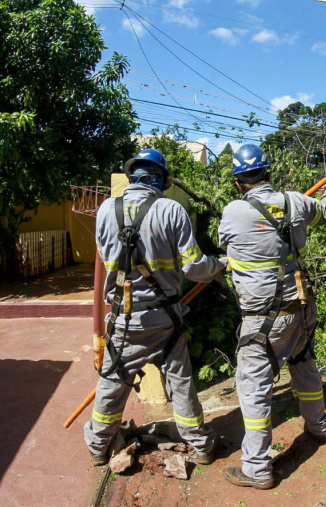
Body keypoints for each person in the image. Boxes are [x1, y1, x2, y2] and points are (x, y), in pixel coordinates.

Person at [86, 149, 226, 467]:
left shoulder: (106, 210)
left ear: (131, 177)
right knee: (180, 383)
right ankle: (201, 445)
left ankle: (97, 448)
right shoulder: (170, 210)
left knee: (111, 385)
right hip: (165, 321)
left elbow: (107, 261)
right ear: (161, 180)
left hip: (123, 322)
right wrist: (220, 264)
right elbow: (195, 269)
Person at [218, 144, 326, 490]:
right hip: (301, 308)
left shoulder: (233, 212)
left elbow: (228, 245)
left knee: (254, 387)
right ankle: (318, 427)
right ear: (269, 173)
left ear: (239, 183)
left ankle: (256, 469)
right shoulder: (297, 201)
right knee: (304, 364)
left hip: (261, 320)